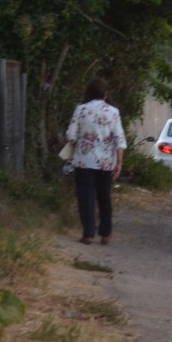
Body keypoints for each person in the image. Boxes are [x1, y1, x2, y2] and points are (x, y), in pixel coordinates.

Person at [66, 78, 126, 245]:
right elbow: (119, 139)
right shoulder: (114, 112)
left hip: (84, 161)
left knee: (86, 197)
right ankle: (106, 233)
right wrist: (119, 163)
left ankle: (88, 233)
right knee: (104, 196)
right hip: (106, 162)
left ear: (89, 92)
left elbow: (71, 135)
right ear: (105, 94)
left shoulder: (80, 110)